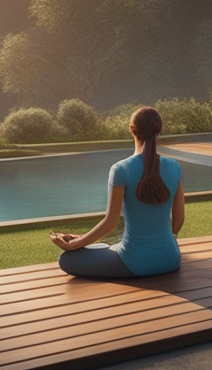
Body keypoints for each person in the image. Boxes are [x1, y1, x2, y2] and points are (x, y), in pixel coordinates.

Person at [50, 106, 184, 278]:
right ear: (159, 131)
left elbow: (110, 223)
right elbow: (179, 220)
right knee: (114, 246)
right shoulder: (175, 167)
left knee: (66, 260)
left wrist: (75, 245)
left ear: (132, 130)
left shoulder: (121, 169)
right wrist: (165, 242)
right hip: (170, 260)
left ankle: (105, 248)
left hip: (135, 263)